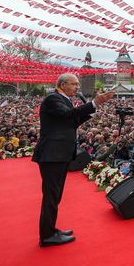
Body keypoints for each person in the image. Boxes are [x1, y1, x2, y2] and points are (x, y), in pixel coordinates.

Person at [32, 73, 114, 247]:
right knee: (51, 196)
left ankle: (51, 230)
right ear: (62, 84)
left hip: (59, 154)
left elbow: (72, 121)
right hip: (52, 155)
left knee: (55, 195)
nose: (77, 87)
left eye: (77, 84)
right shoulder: (53, 99)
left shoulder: (64, 100)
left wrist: (92, 110)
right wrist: (93, 103)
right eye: (73, 84)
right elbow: (68, 115)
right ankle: (46, 236)